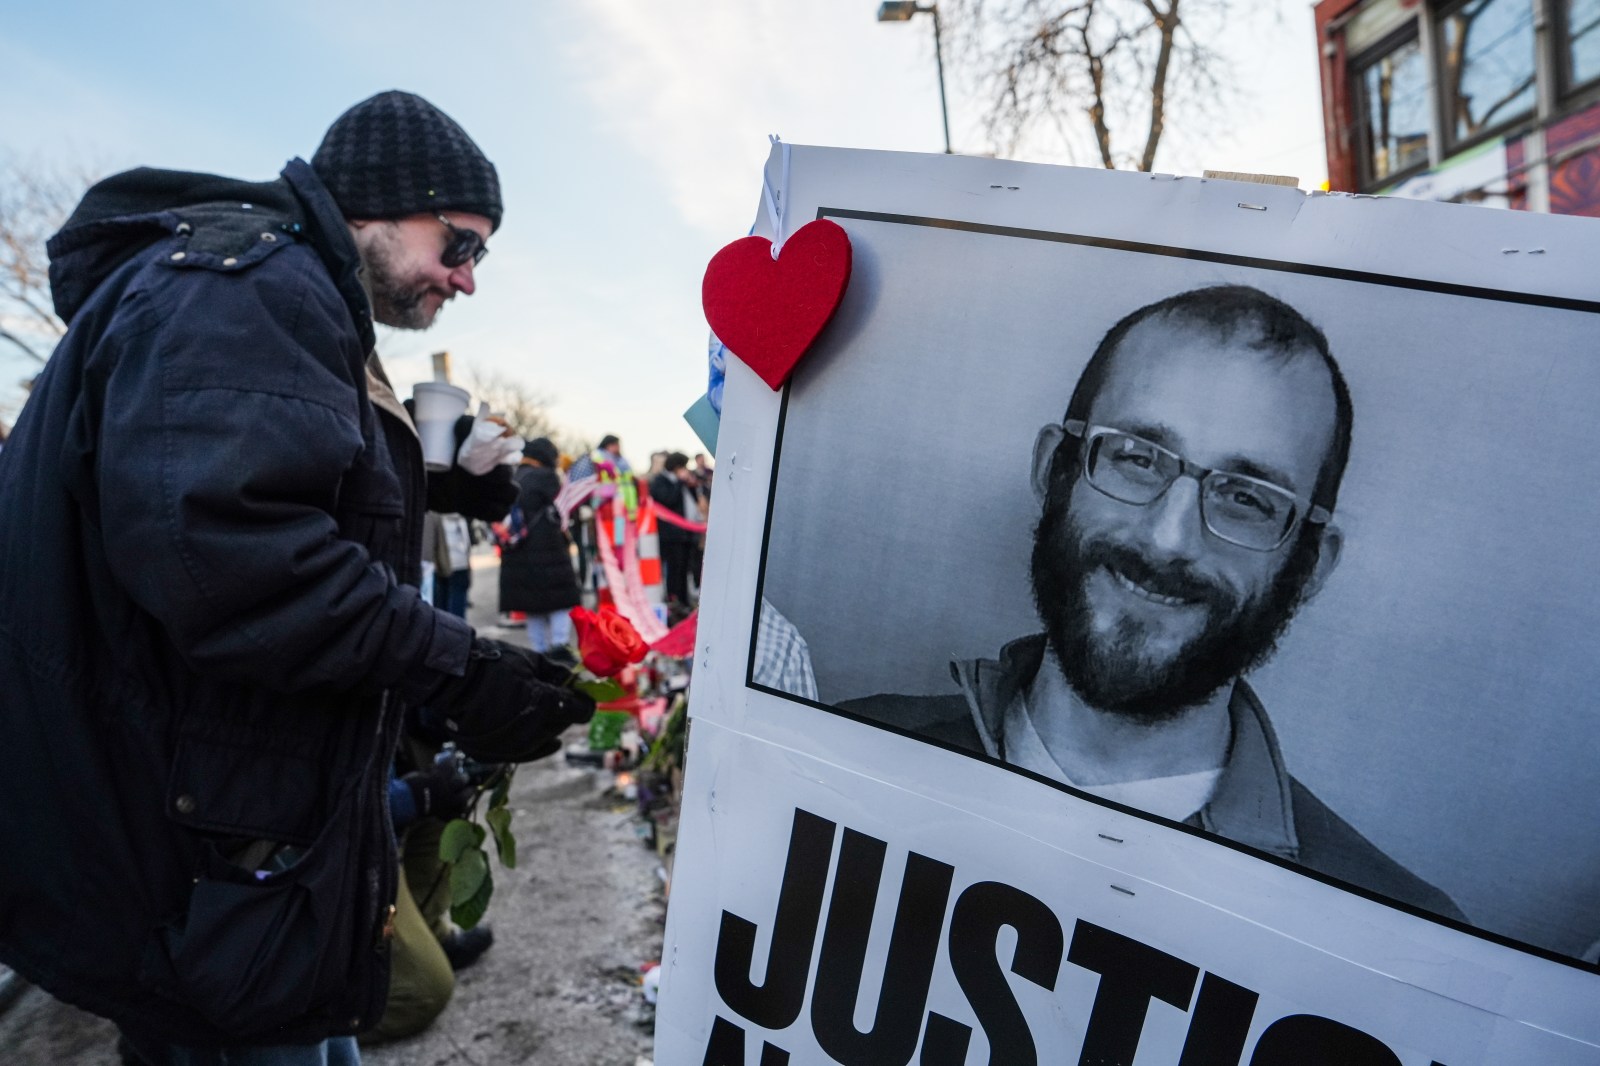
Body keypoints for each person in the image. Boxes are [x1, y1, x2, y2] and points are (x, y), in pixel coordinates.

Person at [0, 90, 596, 1064]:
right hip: (189, 844)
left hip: (226, 827)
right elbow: (238, 559)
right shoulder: (247, 288)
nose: (466, 277)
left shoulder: (276, 289)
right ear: (376, 205)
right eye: (459, 243)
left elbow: (252, 478)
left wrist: (437, 478)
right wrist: (456, 669)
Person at [841, 285, 1463, 921]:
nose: (1169, 539)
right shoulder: (834, 754)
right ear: (1054, 468)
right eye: (1137, 457)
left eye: (1246, 498)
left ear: (1310, 568)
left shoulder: (1400, 936)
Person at [500, 437, 582, 653]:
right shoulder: (546, 477)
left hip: (518, 553)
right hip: (549, 551)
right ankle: (559, 648)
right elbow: (564, 510)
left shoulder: (515, 476)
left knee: (533, 608)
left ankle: (538, 653)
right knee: (560, 603)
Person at [650, 451, 698, 610]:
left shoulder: (681, 482)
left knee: (685, 570)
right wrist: (679, 482)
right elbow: (668, 500)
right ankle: (674, 600)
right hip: (671, 535)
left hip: (686, 533)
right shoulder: (660, 481)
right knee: (674, 570)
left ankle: (684, 600)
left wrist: (690, 485)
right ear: (676, 467)